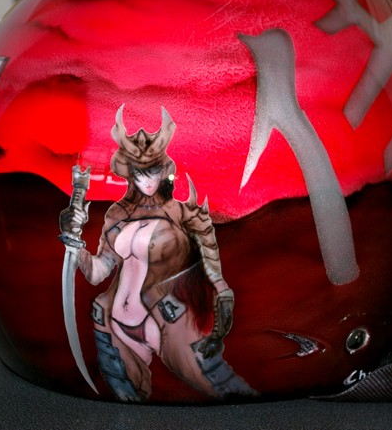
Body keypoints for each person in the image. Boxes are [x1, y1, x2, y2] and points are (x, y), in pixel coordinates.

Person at [59, 105, 255, 401]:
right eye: (140, 172)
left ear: (164, 171)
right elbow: (99, 271)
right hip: (115, 324)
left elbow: (210, 258)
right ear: (130, 172)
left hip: (165, 318)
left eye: (153, 171)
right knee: (125, 400)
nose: (147, 180)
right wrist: (75, 244)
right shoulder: (116, 215)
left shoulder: (181, 213)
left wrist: (221, 299)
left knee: (223, 389)